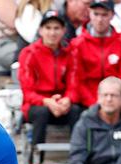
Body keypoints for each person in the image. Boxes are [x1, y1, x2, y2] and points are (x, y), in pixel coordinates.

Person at [17, 10, 79, 147]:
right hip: (38, 106)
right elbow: (28, 93)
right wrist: (47, 102)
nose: (52, 33)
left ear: (63, 30)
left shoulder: (70, 53)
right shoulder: (29, 53)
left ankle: (78, 157)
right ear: (41, 30)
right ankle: (36, 163)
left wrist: (67, 100)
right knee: (42, 112)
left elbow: (74, 87)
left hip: (61, 104)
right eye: (48, 28)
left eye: (56, 28)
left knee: (76, 110)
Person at [67, 0, 121, 108]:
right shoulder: (77, 44)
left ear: (112, 15)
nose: (99, 20)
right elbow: (78, 80)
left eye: (104, 15)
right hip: (89, 102)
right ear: (89, 13)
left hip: (118, 100)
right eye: (96, 14)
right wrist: (95, 105)